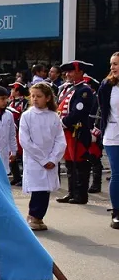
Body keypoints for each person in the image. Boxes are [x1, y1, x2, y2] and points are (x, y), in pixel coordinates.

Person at [20, 82, 66, 231]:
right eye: (32, 96)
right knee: (37, 189)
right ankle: (33, 215)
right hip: (35, 159)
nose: (35, 99)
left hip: (50, 159)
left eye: (38, 96)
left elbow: (60, 139)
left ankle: (39, 217)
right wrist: (43, 159)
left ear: (47, 98)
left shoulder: (54, 117)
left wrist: (53, 158)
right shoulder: (27, 116)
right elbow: (25, 140)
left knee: (45, 190)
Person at [56, 61, 95, 205]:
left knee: (80, 164)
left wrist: (63, 122)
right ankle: (71, 192)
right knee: (70, 164)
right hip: (67, 132)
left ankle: (81, 195)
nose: (67, 74)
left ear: (79, 72)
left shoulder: (84, 90)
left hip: (77, 131)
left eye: (71, 71)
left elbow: (79, 112)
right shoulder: (70, 89)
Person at [98, 52, 119, 228]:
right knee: (117, 174)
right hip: (113, 135)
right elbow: (103, 111)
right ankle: (116, 212)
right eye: (112, 64)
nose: (113, 67)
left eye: (116, 64)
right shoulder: (106, 86)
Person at [7, 82, 29, 186]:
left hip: (20, 131)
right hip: (12, 132)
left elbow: (24, 115)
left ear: (18, 91)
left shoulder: (25, 102)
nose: (11, 91)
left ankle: (24, 178)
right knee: (12, 154)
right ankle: (16, 177)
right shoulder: (10, 102)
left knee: (21, 155)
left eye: (13, 89)